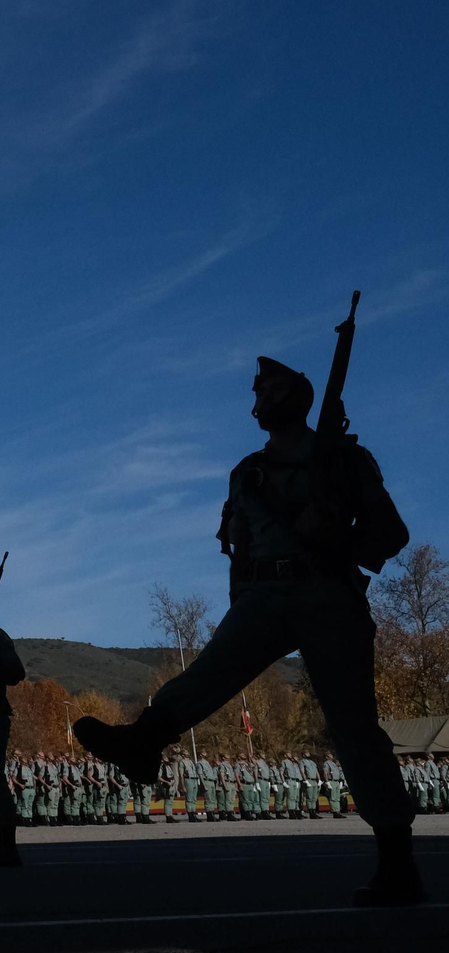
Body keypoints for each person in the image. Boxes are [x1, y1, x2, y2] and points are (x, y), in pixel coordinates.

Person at [75, 353, 420, 906]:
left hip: (329, 592)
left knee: (352, 724)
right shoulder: (248, 473)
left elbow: (391, 533)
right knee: (211, 669)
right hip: (263, 594)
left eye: (266, 391)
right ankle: (142, 741)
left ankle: (398, 861)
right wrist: (240, 606)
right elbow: (239, 551)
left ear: (291, 399)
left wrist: (338, 538)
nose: (255, 401)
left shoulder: (344, 460)